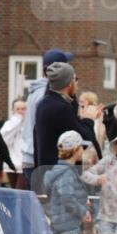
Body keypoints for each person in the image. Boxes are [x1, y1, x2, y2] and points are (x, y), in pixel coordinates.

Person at [43, 130, 92, 234]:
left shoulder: (63, 171)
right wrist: (82, 211)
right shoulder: (66, 173)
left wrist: (82, 200)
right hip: (67, 224)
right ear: (76, 150)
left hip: (63, 222)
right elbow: (66, 197)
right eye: (81, 148)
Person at [19, 48, 74, 189]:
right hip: (38, 157)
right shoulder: (45, 94)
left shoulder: (34, 91)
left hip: (29, 154)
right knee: (42, 206)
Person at [33, 62, 100, 174]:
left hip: (46, 171)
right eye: (75, 79)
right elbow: (84, 140)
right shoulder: (61, 108)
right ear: (69, 83)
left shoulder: (43, 103)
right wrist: (88, 118)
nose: (77, 83)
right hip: (59, 175)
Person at [1, 98, 26, 188]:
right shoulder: (8, 124)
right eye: (18, 109)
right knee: (14, 190)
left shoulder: (29, 125)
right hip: (11, 164)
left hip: (24, 164)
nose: (20, 111)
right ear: (13, 110)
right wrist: (16, 123)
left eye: (23, 109)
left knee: (20, 191)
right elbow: (5, 142)